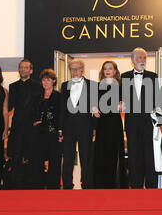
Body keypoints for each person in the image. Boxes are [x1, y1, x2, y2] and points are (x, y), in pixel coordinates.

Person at [121, 47, 158, 189]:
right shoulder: (124, 77)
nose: (143, 60)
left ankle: (151, 185)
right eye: (140, 58)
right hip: (131, 122)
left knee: (149, 154)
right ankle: (135, 185)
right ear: (133, 60)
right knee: (134, 154)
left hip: (149, 122)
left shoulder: (153, 76)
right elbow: (121, 97)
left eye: (144, 58)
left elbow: (157, 100)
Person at [58, 60, 98, 189]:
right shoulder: (64, 86)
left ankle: (86, 185)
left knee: (86, 158)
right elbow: (62, 109)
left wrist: (94, 127)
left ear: (82, 70)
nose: (74, 72)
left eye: (77, 69)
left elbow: (95, 108)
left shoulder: (92, 85)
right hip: (68, 128)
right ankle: (67, 186)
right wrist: (60, 128)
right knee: (68, 159)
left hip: (85, 127)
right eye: (72, 69)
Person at [7, 59, 43, 189]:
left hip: (32, 127)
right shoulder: (12, 86)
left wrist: (40, 120)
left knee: (32, 156)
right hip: (17, 127)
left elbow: (41, 105)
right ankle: (16, 185)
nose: (23, 69)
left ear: (31, 70)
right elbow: (9, 107)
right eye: (21, 67)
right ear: (19, 69)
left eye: (26, 67)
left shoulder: (38, 86)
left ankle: (32, 186)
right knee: (16, 157)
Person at [93, 61, 128, 189]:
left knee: (114, 153)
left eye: (110, 68)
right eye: (105, 69)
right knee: (101, 153)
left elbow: (125, 104)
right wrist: (94, 109)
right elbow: (92, 104)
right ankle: (101, 185)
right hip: (102, 123)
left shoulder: (120, 86)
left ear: (115, 71)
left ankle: (116, 185)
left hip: (114, 123)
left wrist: (121, 105)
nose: (107, 71)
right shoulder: (97, 86)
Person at [32, 69, 62, 189]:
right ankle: (38, 186)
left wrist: (60, 132)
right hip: (39, 132)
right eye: (43, 80)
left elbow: (59, 115)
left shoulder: (58, 96)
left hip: (53, 132)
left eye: (48, 80)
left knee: (54, 161)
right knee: (38, 160)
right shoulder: (37, 97)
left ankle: (53, 187)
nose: (45, 82)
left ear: (53, 81)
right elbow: (33, 112)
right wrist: (35, 121)